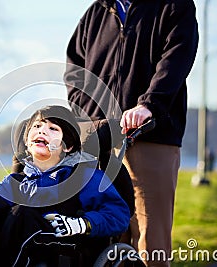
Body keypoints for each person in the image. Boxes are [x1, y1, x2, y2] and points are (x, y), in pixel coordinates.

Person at [64, 1, 199, 266]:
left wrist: (149, 105)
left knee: (151, 237)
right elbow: (74, 71)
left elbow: (177, 57)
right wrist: (85, 117)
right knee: (103, 233)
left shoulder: (174, 6)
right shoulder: (96, 12)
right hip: (98, 138)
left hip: (151, 135)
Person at [0, 105, 131, 266]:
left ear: (67, 146)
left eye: (53, 129)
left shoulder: (85, 176)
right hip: (14, 249)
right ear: (27, 142)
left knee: (22, 214)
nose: (42, 131)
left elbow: (119, 215)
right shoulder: (15, 182)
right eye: (37, 126)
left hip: (64, 247)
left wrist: (82, 224)